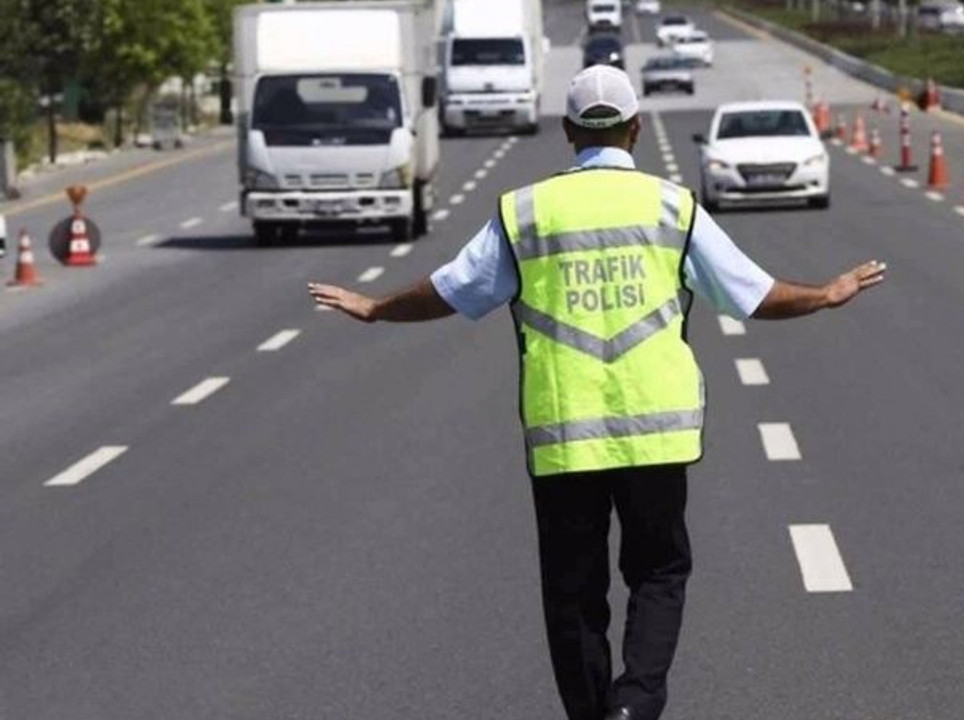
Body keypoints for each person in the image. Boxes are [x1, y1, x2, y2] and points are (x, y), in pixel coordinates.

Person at [308, 65, 886, 720]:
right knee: (659, 574)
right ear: (636, 128)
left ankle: (592, 713)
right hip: (657, 432)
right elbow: (752, 293)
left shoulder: (527, 211)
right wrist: (825, 295)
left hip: (565, 435)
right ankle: (634, 707)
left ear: (568, 132)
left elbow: (451, 290)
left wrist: (377, 306)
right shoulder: (671, 207)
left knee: (573, 592)